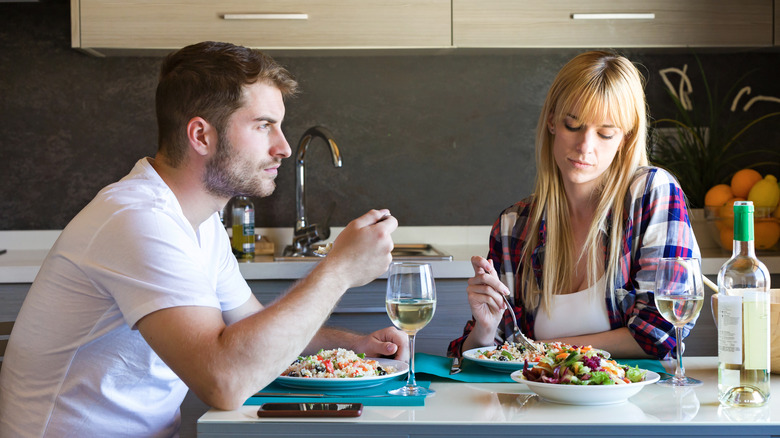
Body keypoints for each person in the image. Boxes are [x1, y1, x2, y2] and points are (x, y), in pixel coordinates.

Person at [0, 41, 406, 437]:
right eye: (264, 125)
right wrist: (338, 270)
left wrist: (356, 346)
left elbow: (248, 327)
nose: (282, 147)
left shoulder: (199, 220)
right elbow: (225, 381)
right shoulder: (139, 220)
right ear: (201, 135)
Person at [448, 51, 700, 360]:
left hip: (634, 405)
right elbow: (481, 357)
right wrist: (485, 330)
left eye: (605, 133)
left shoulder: (650, 193)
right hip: (534, 405)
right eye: (573, 125)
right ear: (552, 121)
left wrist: (540, 351)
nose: (585, 146)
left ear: (625, 138)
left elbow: (660, 333)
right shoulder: (514, 226)